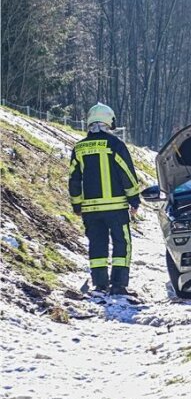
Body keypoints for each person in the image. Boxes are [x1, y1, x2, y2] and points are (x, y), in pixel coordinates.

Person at [69, 103, 142, 296]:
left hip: (90, 210)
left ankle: (100, 284)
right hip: (116, 207)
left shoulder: (79, 148)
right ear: (109, 121)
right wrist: (134, 199)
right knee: (122, 243)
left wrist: (77, 204)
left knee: (97, 244)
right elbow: (126, 173)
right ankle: (118, 285)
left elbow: (74, 179)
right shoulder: (115, 145)